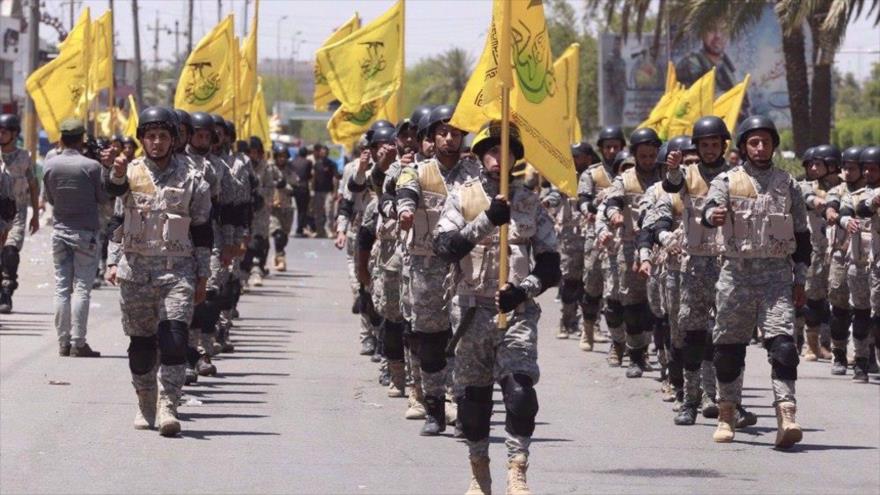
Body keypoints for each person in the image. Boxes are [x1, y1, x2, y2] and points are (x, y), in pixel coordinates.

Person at [434, 121, 560, 495]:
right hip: (471, 311)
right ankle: (478, 469)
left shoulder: (531, 203)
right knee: (473, 403)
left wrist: (523, 291)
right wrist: (487, 220)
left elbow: (551, 264)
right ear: (480, 155)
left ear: (514, 158)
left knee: (521, 393)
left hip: (516, 313)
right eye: (491, 150)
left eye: (505, 151)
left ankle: (517, 469)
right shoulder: (463, 196)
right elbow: (445, 247)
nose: (497, 158)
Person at [104, 106, 212, 437]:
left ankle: (168, 405)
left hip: (177, 272)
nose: (157, 142)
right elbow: (116, 213)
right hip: (135, 272)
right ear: (141, 139)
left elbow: (204, 229)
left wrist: (203, 275)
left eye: (163, 136)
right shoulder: (130, 171)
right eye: (150, 136)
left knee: (175, 340)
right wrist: (111, 261)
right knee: (141, 346)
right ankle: (146, 400)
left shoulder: (193, 177)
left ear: (174, 140)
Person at [700, 115, 807, 447]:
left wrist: (800, 280)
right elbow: (707, 211)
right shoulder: (727, 181)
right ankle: (727, 414)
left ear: (774, 144)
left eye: (766, 141)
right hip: (736, 277)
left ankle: (786, 417)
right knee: (729, 350)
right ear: (744, 146)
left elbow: (803, 238)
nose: (760, 148)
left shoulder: (789, 185)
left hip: (776, 278)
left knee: (785, 348)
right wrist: (712, 216)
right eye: (754, 142)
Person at [396, 105, 482, 436]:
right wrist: (405, 210)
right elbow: (405, 193)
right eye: (443, 133)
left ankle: (460, 407)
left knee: (463, 342)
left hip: (467, 270)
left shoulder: (475, 175)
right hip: (425, 270)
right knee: (430, 342)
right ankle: (433, 408)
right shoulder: (417, 170)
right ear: (432, 137)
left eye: (455, 133)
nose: (449, 139)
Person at [662, 116, 731, 424]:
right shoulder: (688, 174)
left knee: (725, 335)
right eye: (705, 145)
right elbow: (672, 184)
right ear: (698, 147)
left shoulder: (737, 177)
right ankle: (689, 399)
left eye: (716, 144)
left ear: (724, 146)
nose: (711, 150)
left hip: (729, 263)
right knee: (693, 334)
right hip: (695, 264)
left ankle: (719, 398)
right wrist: (674, 167)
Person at [598, 127, 664, 378]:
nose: (648, 161)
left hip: (660, 247)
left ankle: (654, 350)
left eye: (651, 155)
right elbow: (612, 202)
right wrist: (614, 213)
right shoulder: (624, 179)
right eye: (643, 156)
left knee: (657, 305)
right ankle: (636, 355)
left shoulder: (666, 178)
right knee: (633, 303)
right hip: (630, 247)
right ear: (635, 155)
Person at [42, 119, 110, 358]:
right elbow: (103, 198)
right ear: (82, 139)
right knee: (82, 288)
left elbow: (50, 198)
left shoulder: (50, 164)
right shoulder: (92, 166)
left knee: (62, 288)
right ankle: (78, 343)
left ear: (61, 139)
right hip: (86, 235)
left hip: (60, 232)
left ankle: (63, 342)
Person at [577, 126, 626, 362]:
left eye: (616, 146)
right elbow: (583, 200)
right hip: (596, 237)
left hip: (624, 239)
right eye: (608, 147)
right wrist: (591, 209)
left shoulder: (629, 171)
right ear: (602, 149)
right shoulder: (592, 174)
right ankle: (588, 327)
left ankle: (622, 340)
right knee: (592, 286)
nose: (612, 150)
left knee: (615, 290)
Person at [799, 145, 842, 361]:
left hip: (841, 252)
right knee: (814, 298)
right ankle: (812, 345)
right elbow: (805, 196)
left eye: (819, 164)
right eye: (811, 164)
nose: (814, 168)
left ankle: (833, 345)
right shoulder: (808, 187)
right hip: (816, 250)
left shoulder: (846, 188)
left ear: (832, 166)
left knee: (838, 301)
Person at [0, 113, 40, 314]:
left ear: (14, 134)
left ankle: (7, 289)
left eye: (4, 131)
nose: (0, 135)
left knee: (10, 250)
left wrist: (36, 215)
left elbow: (33, 185)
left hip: (16, 212)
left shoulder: (24, 157)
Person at [269, 143, 297, 271]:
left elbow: (295, 188)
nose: (282, 159)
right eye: (279, 156)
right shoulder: (269, 169)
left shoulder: (290, 171)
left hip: (287, 208)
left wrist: (285, 186)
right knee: (278, 234)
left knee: (284, 238)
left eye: (284, 156)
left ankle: (278, 254)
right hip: (272, 208)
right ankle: (281, 259)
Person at [311, 143, 340, 238]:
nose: (323, 153)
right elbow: (314, 177)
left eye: (325, 151)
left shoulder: (332, 164)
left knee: (329, 212)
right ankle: (320, 231)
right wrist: (312, 190)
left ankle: (329, 230)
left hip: (328, 191)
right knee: (318, 212)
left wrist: (335, 192)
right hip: (318, 191)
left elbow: (335, 178)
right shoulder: (317, 164)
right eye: (322, 151)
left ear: (327, 153)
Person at [291, 146, 314, 237]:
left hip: (295, 187)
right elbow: (309, 176)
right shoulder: (308, 162)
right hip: (304, 188)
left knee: (298, 208)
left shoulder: (292, 162)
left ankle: (299, 227)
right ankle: (300, 229)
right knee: (303, 209)